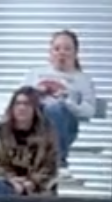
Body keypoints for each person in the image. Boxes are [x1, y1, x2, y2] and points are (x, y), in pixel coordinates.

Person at [20, 30, 96, 171]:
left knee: (56, 108)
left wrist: (68, 101)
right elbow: (19, 102)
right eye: (57, 48)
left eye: (67, 49)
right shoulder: (35, 74)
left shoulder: (83, 79)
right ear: (50, 52)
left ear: (75, 52)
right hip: (34, 126)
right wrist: (35, 94)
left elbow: (89, 111)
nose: (62, 52)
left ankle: (57, 161)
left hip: (64, 128)